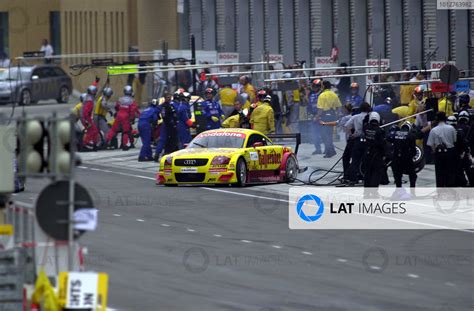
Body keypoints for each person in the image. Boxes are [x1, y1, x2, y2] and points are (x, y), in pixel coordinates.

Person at [427, 112, 457, 187]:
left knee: (439, 173)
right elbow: (454, 140)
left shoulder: (433, 130)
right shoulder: (451, 128)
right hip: (450, 152)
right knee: (450, 172)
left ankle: (440, 191)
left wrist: (434, 151)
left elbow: (431, 144)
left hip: (439, 153)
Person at [106, 85, 139, 151]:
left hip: (119, 115)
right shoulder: (132, 101)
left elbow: (116, 107)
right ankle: (124, 145)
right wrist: (132, 118)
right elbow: (132, 111)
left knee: (113, 129)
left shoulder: (120, 99)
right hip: (126, 116)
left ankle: (106, 141)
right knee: (125, 131)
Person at [345, 102, 371, 184]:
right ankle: (366, 177)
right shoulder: (371, 116)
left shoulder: (355, 117)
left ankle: (353, 179)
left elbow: (346, 126)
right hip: (368, 140)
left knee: (355, 160)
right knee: (367, 160)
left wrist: (351, 135)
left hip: (357, 140)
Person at [389, 122, 417, 188]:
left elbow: (388, 140)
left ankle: (398, 188)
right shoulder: (411, 135)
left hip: (396, 157)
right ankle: (412, 189)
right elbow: (413, 150)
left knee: (397, 175)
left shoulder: (395, 133)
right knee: (412, 175)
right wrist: (412, 157)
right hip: (406, 157)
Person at [317, 80, 341, 158]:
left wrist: (316, 117)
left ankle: (329, 152)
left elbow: (320, 109)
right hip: (332, 115)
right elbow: (338, 107)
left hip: (324, 116)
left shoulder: (322, 95)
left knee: (325, 135)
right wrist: (337, 116)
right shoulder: (334, 94)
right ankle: (331, 151)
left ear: (323, 86)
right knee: (329, 135)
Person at [362, 112, 386, 189]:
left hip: (367, 152)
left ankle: (366, 191)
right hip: (377, 154)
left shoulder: (366, 128)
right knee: (376, 172)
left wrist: (368, 116)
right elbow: (382, 144)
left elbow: (364, 121)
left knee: (367, 172)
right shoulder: (380, 130)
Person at [154, 92, 179, 161]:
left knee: (172, 140)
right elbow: (157, 112)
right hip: (166, 124)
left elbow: (177, 113)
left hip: (172, 125)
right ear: (165, 98)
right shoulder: (162, 106)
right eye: (168, 97)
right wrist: (158, 118)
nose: (169, 98)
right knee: (162, 140)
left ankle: (167, 153)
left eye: (170, 97)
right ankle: (157, 154)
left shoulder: (173, 105)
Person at [81, 85, 99, 151]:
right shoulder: (89, 101)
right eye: (95, 92)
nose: (95, 93)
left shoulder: (87, 97)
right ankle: (84, 145)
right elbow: (86, 111)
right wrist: (87, 121)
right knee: (91, 131)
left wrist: (96, 82)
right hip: (86, 118)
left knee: (94, 131)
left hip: (86, 117)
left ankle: (94, 145)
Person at [307, 79, 323, 154]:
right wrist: (309, 113)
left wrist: (319, 115)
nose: (315, 87)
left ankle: (327, 149)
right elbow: (309, 105)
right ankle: (318, 149)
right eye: (314, 86)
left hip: (322, 116)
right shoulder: (311, 94)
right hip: (313, 117)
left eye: (317, 86)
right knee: (314, 133)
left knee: (324, 134)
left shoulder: (322, 94)